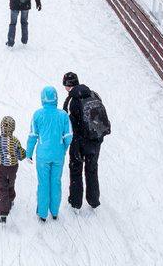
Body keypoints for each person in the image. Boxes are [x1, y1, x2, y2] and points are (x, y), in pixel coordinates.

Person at [62, 71, 111, 211]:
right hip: (96, 139)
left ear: (66, 85)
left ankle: (75, 202)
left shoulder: (71, 100)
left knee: (76, 170)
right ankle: (94, 200)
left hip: (79, 141)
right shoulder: (94, 94)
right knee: (92, 169)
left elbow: (68, 124)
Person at [27, 86, 73, 222]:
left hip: (43, 156)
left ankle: (42, 213)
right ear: (56, 98)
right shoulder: (63, 115)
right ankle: (54, 211)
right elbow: (69, 136)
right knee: (56, 182)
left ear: (43, 98)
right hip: (58, 155)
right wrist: (62, 149)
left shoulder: (38, 115)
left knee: (43, 183)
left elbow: (33, 135)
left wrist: (28, 152)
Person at [0, 116, 27, 223]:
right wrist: (22, 153)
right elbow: (21, 155)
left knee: (1, 186)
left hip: (1, 167)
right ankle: (11, 198)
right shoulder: (15, 141)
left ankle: (3, 212)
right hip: (13, 167)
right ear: (13, 128)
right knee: (11, 182)